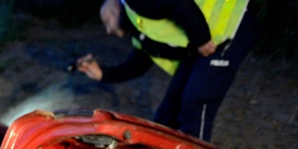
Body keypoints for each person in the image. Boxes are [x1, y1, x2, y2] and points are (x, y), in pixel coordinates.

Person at [76, 0, 255, 141]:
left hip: (230, 29)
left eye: (106, 21)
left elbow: (178, 3)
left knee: (196, 100)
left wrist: (201, 39)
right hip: (204, 42)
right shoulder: (142, 29)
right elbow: (138, 65)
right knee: (168, 111)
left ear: (113, 7)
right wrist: (103, 74)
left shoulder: (136, 2)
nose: (108, 30)